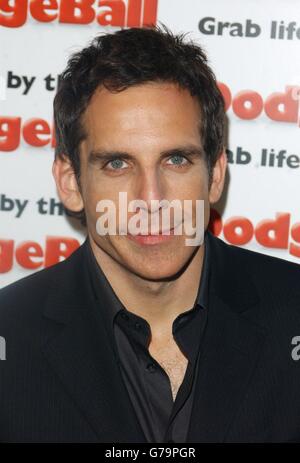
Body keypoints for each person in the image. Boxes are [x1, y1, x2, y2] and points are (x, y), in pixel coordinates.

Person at [0, 24, 300, 444]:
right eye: (118, 164)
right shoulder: (10, 336)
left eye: (176, 159)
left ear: (215, 175)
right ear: (70, 182)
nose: (150, 198)